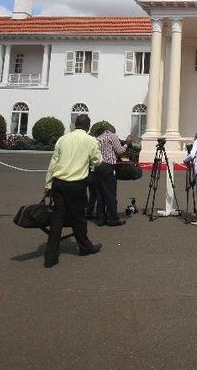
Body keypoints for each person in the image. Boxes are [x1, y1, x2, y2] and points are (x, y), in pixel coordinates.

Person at [43, 114, 103, 268]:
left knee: (57, 218)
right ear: (88, 126)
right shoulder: (91, 140)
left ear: (75, 125)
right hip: (76, 184)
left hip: (59, 183)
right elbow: (97, 160)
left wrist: (48, 184)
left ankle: (50, 256)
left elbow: (53, 163)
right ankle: (85, 247)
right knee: (79, 217)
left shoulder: (63, 139)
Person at [92, 127, 133, 227]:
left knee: (100, 194)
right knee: (110, 194)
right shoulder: (112, 136)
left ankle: (100, 218)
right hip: (107, 167)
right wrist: (127, 143)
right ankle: (113, 218)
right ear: (113, 131)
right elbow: (119, 151)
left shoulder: (99, 138)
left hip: (98, 167)